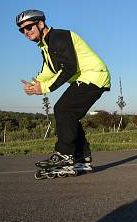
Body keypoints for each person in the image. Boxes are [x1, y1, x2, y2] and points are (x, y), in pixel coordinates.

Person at [16, 10, 110, 176]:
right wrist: (34, 84)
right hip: (85, 78)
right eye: (21, 30)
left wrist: (44, 88)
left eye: (29, 27)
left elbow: (70, 67)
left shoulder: (59, 37)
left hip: (94, 75)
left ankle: (65, 155)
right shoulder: (45, 46)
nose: (25, 32)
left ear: (41, 24)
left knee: (63, 109)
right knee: (70, 115)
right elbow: (49, 70)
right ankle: (82, 157)